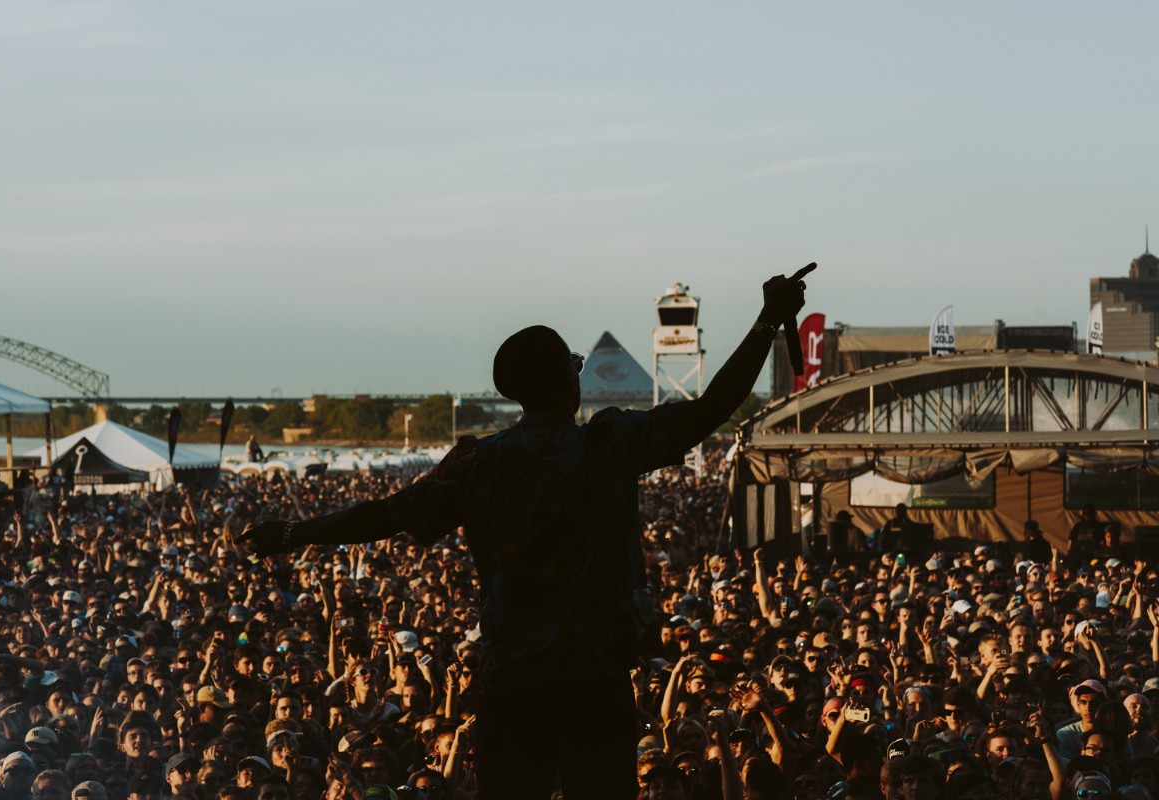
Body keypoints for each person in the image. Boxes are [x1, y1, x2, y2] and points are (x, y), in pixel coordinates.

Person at [241, 264, 815, 800]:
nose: (580, 369)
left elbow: (385, 514)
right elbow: (711, 407)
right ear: (563, 381)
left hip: (514, 683)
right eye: (573, 362)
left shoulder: (478, 465)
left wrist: (294, 532)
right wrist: (766, 321)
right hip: (594, 680)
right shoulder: (607, 446)